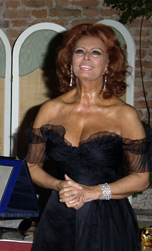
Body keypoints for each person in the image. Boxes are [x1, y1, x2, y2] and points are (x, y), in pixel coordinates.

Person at [25, 23, 151, 251]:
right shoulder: (49, 110)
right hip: (59, 215)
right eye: (80, 51)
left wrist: (93, 192)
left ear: (108, 65)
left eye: (96, 53)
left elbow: (141, 178)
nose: (86, 58)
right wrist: (59, 184)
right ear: (70, 60)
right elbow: (31, 166)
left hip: (106, 218)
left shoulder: (124, 115)